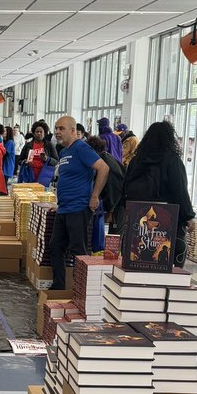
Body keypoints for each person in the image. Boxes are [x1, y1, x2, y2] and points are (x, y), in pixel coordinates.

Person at [121, 120, 195, 267]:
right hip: (168, 222)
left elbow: (125, 188)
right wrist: (189, 216)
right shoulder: (172, 161)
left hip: (139, 219)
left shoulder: (137, 160)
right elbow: (180, 191)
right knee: (165, 263)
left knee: (139, 262)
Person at [49, 116, 109, 291]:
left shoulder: (81, 148)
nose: (57, 132)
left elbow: (103, 168)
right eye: (56, 128)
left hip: (79, 208)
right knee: (56, 246)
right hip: (64, 208)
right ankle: (58, 286)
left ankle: (82, 291)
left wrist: (94, 196)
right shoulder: (63, 151)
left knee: (78, 251)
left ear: (73, 130)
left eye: (61, 128)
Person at [87, 135, 125, 233]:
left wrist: (109, 208)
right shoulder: (106, 157)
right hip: (117, 202)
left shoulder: (104, 162)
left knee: (115, 235)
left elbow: (114, 187)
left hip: (118, 204)